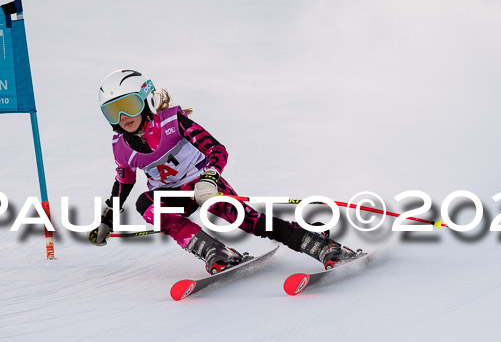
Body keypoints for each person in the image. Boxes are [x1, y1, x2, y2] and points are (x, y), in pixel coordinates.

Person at [88, 69, 359, 274]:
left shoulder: (172, 121)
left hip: (204, 184)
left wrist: (209, 177)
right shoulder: (121, 147)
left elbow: (217, 150)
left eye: (130, 105)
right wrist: (108, 217)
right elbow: (124, 182)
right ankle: (214, 251)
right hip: (172, 196)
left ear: (146, 100)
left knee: (248, 221)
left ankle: (321, 245)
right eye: (113, 111)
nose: (123, 117)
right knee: (145, 203)